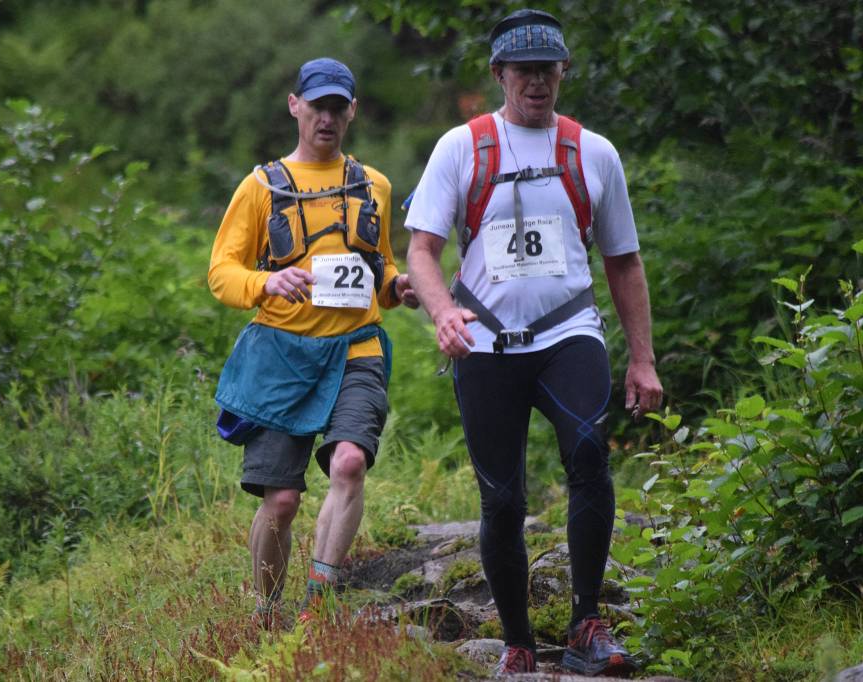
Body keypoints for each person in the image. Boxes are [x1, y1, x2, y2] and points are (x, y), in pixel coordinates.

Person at [405, 9, 662, 677]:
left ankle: (585, 624)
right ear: (499, 74)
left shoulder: (592, 152)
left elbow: (624, 262)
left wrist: (642, 358)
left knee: (587, 452)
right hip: (484, 341)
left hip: (567, 331)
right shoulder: (461, 148)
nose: (537, 83)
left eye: (549, 70)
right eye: (524, 71)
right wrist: (442, 313)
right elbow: (423, 250)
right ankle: (518, 643)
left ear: (564, 73)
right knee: (503, 499)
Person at [208, 57, 418, 626]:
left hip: (356, 349)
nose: (327, 117)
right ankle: (265, 610)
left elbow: (382, 269)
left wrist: (400, 288)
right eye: (317, 105)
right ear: (295, 105)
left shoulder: (372, 184)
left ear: (352, 111)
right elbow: (221, 273)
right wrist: (265, 280)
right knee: (281, 501)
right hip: (280, 352)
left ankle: (317, 603)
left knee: (349, 463)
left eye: (337, 107)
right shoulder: (260, 187)